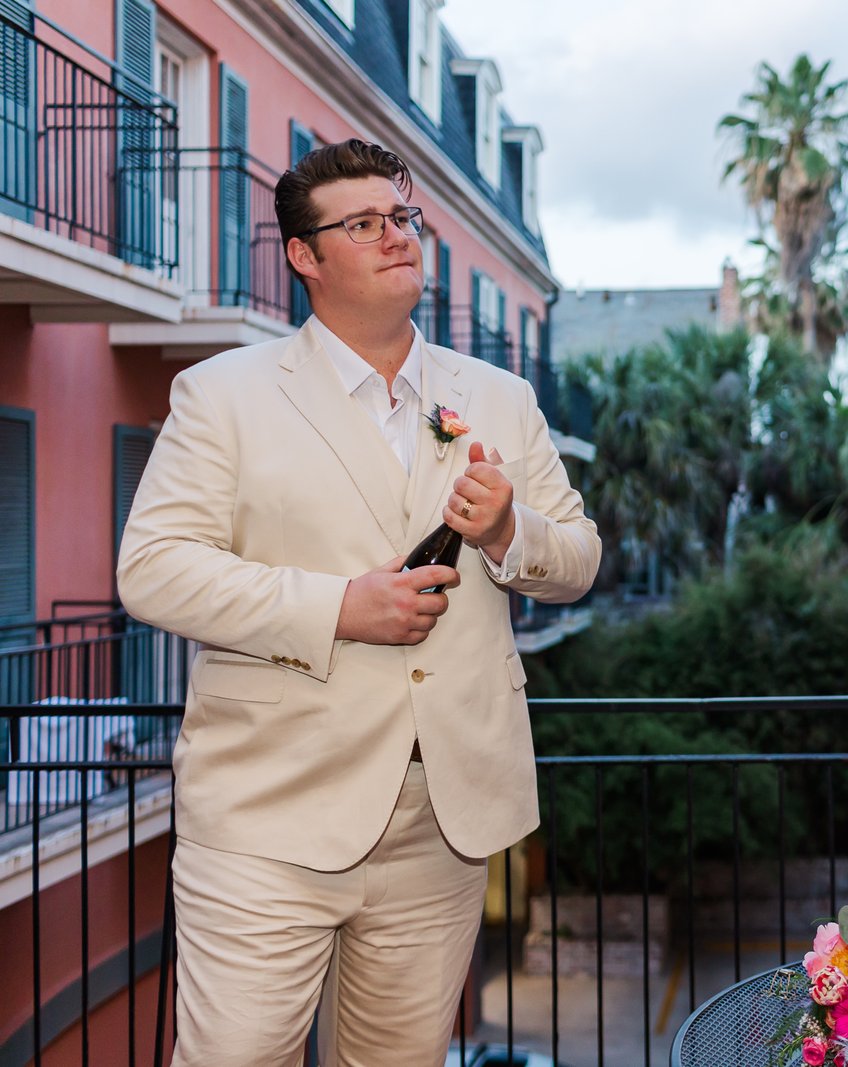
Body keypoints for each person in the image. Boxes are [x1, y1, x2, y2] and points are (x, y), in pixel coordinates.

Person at [116, 139, 601, 1064]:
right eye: (364, 223)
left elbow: (577, 558)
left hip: (444, 820)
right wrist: (340, 607)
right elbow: (154, 567)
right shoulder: (222, 396)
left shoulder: (498, 398)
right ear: (305, 255)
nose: (396, 237)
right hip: (269, 812)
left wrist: (508, 532)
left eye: (404, 218)